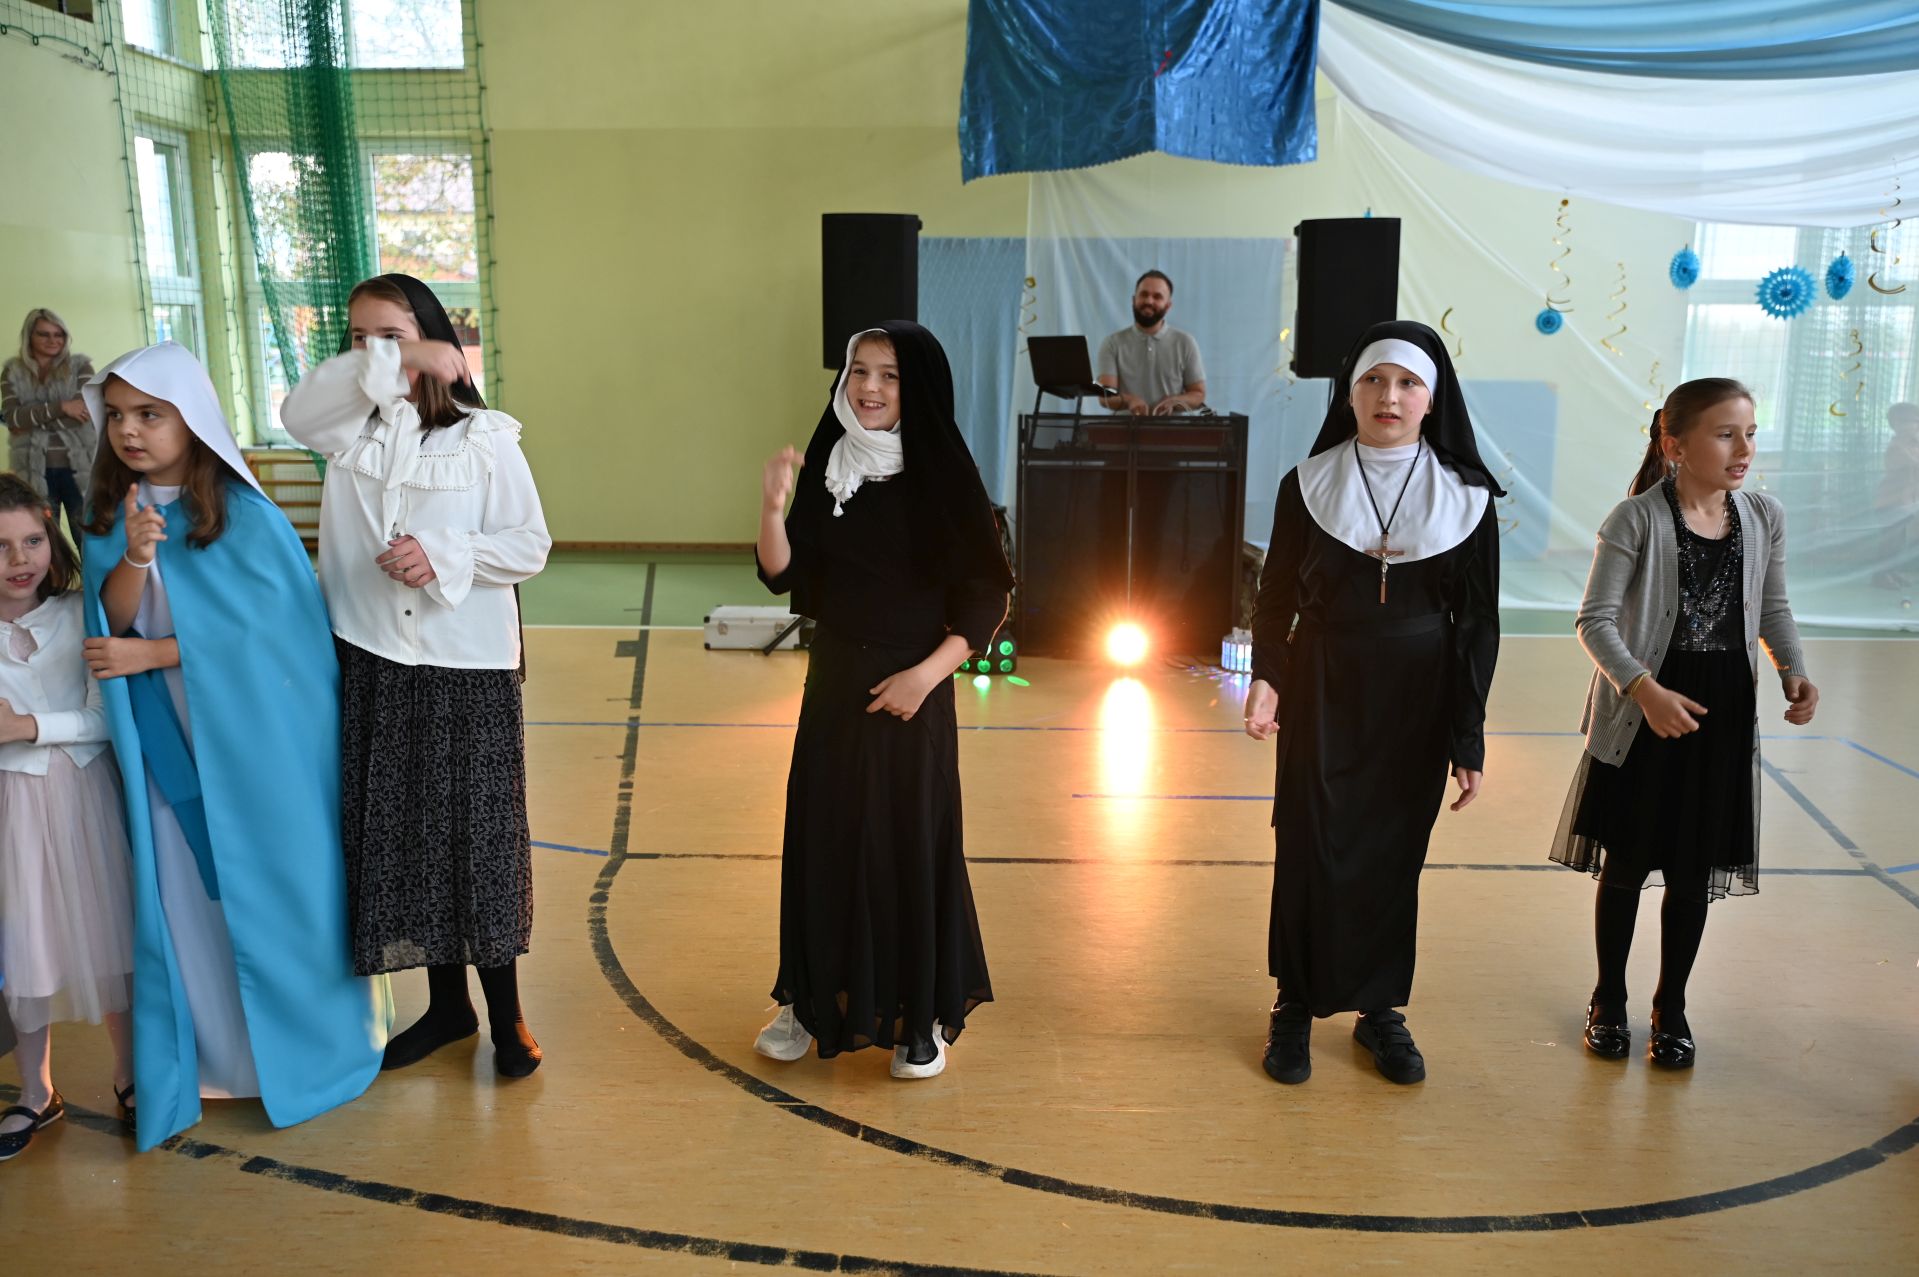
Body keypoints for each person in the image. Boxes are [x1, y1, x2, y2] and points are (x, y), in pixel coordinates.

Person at [79, 341, 389, 1150]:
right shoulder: (114, 515)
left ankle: (295, 1052)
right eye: (117, 416)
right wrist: (137, 558)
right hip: (165, 744)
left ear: (192, 419)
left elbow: (282, 640)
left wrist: (155, 653)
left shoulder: (246, 516)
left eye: (150, 414)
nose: (129, 431)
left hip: (254, 745)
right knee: (186, 898)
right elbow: (110, 619)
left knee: (273, 885)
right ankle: (213, 1055)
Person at [279, 273, 551, 1080]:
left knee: (475, 843)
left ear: (431, 336)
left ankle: (506, 1015)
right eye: (359, 338)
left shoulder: (485, 437)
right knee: (406, 842)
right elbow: (296, 412)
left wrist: (443, 554)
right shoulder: (344, 431)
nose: (374, 352)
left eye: (391, 336)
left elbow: (530, 544)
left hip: (467, 670)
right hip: (373, 661)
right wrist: (387, 362)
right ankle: (447, 1008)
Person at [1244, 320, 1501, 1087]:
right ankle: (1294, 1001)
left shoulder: (1467, 497)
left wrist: (1466, 734)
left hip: (1417, 693)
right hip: (1324, 680)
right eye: (1372, 380)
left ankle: (1378, 1008)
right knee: (1309, 842)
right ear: (1349, 394)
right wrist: (1267, 675)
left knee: (1393, 854)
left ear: (1432, 398)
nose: (1389, 395)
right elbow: (1274, 596)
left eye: (1407, 382)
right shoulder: (1307, 483)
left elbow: (1477, 624)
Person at [753, 321, 1012, 1079]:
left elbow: (987, 597)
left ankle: (917, 1016)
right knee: (824, 841)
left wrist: (924, 678)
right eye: (859, 371)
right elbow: (783, 573)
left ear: (916, 388)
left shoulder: (945, 474)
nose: (868, 387)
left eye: (889, 375)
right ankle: (809, 1000)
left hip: (914, 691)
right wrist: (771, 507)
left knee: (907, 848)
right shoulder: (833, 462)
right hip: (834, 684)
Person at [1549, 378, 1815, 1070]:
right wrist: (1644, 690)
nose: (1743, 448)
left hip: (1720, 712)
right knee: (1627, 863)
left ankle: (1672, 1005)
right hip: (1646, 712)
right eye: (1725, 434)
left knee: (1694, 870)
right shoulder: (1635, 518)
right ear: (1675, 445)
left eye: (1750, 433)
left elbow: (1772, 605)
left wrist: (1791, 668)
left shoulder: (1762, 516)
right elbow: (1594, 622)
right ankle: (1608, 997)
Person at [0, 474, 136, 1161]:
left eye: (32, 540)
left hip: (84, 796)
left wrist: (27, 726)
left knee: (108, 934)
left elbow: (104, 719)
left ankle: (130, 1072)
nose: (18, 560)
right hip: (10, 807)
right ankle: (37, 1089)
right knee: (23, 944)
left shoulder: (81, 613)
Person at [3, 309, 98, 547]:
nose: (53, 340)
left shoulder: (81, 367)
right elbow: (13, 418)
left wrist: (30, 419)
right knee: (43, 538)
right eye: (44, 334)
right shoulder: (12, 372)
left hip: (80, 468)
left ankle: (92, 575)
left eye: (59, 334)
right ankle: (51, 575)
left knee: (87, 537)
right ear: (29, 336)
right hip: (32, 470)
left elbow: (85, 415)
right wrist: (62, 407)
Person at [1096, 270, 1206, 416]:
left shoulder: (1186, 343)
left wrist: (1175, 401)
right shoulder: (1112, 343)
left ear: (1168, 305)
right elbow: (1105, 397)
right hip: (1124, 429)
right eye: (1144, 294)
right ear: (1133, 300)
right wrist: (1130, 401)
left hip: (1173, 429)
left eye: (1157, 297)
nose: (1149, 301)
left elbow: (1198, 395)